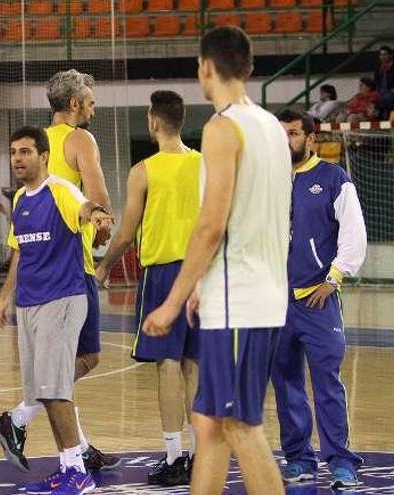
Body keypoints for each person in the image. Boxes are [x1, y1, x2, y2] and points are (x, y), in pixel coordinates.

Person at [142, 26, 291, 495]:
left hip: (240, 300)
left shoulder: (221, 128)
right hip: (256, 290)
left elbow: (212, 225)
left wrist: (173, 300)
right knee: (207, 422)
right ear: (247, 68)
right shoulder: (270, 126)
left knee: (240, 426)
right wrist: (205, 286)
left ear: (205, 67)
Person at [0, 68, 120, 474]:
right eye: (91, 99)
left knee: (76, 358)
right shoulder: (82, 139)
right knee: (77, 361)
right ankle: (20, 418)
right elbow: (97, 196)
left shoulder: (42, 144)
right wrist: (102, 237)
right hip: (71, 265)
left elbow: (20, 241)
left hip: (41, 266)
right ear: (75, 103)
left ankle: (77, 447)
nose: (93, 106)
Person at [95, 90, 201, 487]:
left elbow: (125, 233)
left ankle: (175, 457)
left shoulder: (144, 170)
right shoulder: (204, 164)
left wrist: (104, 266)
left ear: (153, 120)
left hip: (162, 274)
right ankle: (198, 454)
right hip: (201, 272)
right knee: (196, 365)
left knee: (168, 365)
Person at [273, 109, 367, 489]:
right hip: (276, 303)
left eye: (293, 134)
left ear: (311, 138)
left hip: (317, 300)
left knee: (327, 380)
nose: (286, 141)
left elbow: (354, 232)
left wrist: (335, 277)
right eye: (281, 134)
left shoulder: (333, 178)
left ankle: (341, 462)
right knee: (285, 382)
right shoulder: (270, 182)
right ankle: (298, 458)